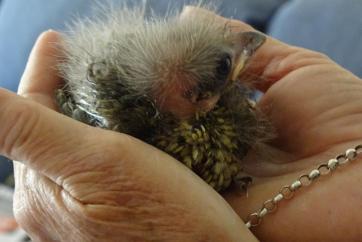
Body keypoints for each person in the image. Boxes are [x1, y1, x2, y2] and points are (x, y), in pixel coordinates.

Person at [1, 6, 362, 241]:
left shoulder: (225, 121)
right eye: (224, 69)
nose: (250, 44)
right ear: (194, 97)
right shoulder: (119, 120)